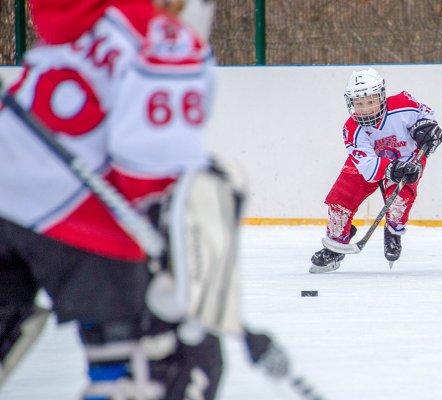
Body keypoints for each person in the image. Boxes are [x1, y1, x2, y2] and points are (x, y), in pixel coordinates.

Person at [0, 0, 288, 398]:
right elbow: (149, 174)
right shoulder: (165, 36)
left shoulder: (86, 19)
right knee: (170, 365)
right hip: (74, 213)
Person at [310, 68, 442, 273]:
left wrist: (428, 127)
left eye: (371, 102)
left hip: (407, 157)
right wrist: (391, 168)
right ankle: (335, 246)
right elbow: (368, 168)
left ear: (382, 97)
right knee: (340, 201)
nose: (366, 109)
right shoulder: (352, 129)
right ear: (351, 103)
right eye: (359, 104)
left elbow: (426, 113)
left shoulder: (403, 105)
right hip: (369, 164)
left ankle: (393, 230)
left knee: (400, 201)